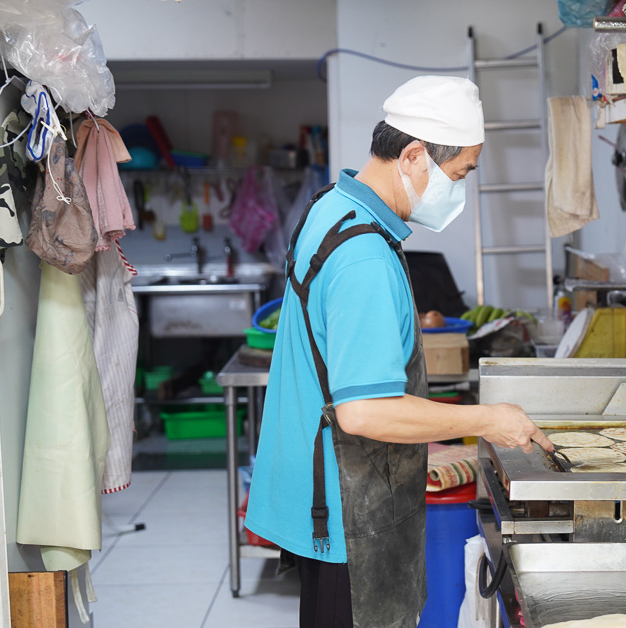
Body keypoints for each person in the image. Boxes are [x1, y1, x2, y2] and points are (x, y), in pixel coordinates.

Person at [244, 75, 553, 628]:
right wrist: (489, 419)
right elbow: (364, 410)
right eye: (457, 175)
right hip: (347, 514)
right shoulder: (365, 257)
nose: (457, 191)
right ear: (413, 155)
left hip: (323, 494)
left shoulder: (332, 207)